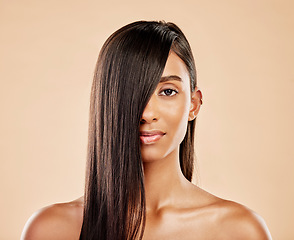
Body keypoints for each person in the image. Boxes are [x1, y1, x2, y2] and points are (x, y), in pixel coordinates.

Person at [21, 20, 272, 240]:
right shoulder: (51, 230)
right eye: (130, 93)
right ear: (104, 104)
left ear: (193, 105)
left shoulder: (239, 231)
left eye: (168, 91)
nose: (147, 113)